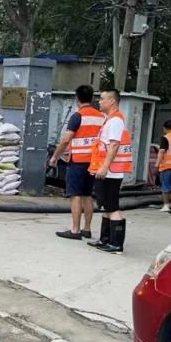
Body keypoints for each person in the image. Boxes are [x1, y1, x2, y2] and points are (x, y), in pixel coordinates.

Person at [49, 84, 105, 239]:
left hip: (78, 161)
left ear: (77, 99)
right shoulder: (102, 117)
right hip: (94, 163)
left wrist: (54, 157)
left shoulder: (77, 116)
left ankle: (75, 230)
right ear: (92, 98)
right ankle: (87, 229)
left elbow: (66, 139)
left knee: (76, 195)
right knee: (88, 195)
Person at [87, 89, 133, 254]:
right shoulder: (111, 120)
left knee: (112, 207)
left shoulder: (115, 121)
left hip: (110, 171)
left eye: (102, 98)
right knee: (106, 206)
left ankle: (115, 244)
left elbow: (113, 145)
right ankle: (105, 239)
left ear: (112, 101)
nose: (99, 101)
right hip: (107, 170)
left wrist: (104, 166)